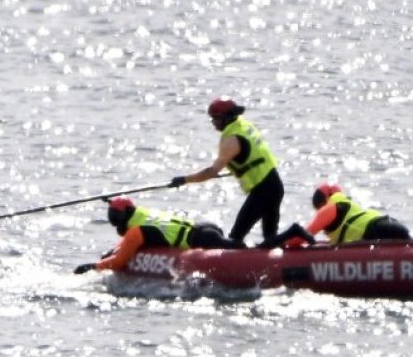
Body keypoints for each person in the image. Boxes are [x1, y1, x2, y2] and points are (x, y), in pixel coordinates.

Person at [169, 97, 284, 246]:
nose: (214, 123)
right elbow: (250, 158)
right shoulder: (243, 125)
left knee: (235, 237)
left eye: (216, 119)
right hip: (275, 185)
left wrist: (184, 179)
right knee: (269, 237)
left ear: (227, 117)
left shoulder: (231, 140)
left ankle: (236, 264)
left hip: (263, 191)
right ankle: (277, 261)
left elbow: (211, 171)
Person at [74, 196, 240, 274]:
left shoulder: (135, 231)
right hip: (203, 227)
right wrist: (113, 251)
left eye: (115, 218)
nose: (115, 222)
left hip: (201, 239)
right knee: (233, 243)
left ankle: (261, 249)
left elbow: (119, 262)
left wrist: (94, 266)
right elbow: (124, 245)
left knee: (237, 248)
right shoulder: (144, 215)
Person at [301, 183, 411, 244]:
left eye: (318, 209)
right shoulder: (348, 205)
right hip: (391, 224)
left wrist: (285, 239)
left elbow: (302, 236)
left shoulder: (330, 208)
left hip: (377, 230)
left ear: (323, 202)